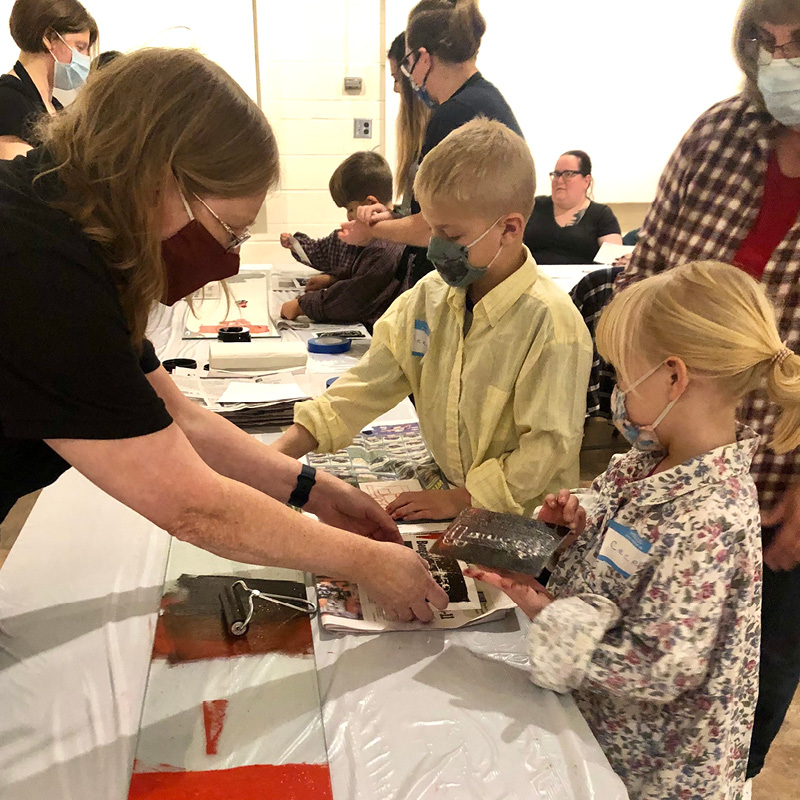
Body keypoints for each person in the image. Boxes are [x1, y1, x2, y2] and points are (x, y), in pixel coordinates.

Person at [0, 48, 449, 624]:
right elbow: (192, 506)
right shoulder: (36, 265)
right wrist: (364, 560)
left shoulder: (71, 230)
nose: (230, 259)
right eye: (230, 232)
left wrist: (310, 488)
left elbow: (179, 416)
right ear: (161, 178)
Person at [470, 260, 800, 799]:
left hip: (657, 772)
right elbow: (615, 564)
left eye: (623, 374)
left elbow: (662, 667)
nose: (616, 391)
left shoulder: (711, 516)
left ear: (674, 376)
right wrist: (572, 529)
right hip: (601, 732)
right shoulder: (644, 462)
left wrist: (552, 620)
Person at [615, 0, 800, 778]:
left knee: (735, 703)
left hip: (778, 489)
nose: (781, 60)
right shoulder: (720, 134)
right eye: (768, 39)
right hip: (673, 461)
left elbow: (660, 669)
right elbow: (645, 269)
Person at [274, 119, 592, 522]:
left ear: (509, 228)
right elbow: (367, 383)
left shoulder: (551, 324)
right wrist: (278, 454)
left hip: (525, 520)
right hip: (455, 491)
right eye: (431, 229)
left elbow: (546, 450)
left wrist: (463, 499)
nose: (436, 247)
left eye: (452, 235)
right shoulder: (430, 296)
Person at [341, 0, 523, 287]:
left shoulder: (454, 114)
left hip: (463, 280)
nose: (408, 79)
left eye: (408, 65)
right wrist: (394, 216)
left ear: (422, 58)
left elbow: (434, 228)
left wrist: (374, 230)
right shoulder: (485, 100)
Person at [278, 151, 408, 331]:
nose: (348, 216)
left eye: (350, 209)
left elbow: (355, 297)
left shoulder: (385, 246)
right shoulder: (380, 238)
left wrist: (302, 305)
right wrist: (333, 280)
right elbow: (361, 275)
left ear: (370, 204)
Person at [0, 0, 97, 160]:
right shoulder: (8, 102)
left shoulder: (54, 106)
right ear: (49, 38)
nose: (85, 58)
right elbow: (22, 180)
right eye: (80, 47)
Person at [523, 150, 622, 265]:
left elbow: (615, 260)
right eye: (556, 174)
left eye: (568, 174)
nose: (559, 180)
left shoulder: (601, 214)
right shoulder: (535, 207)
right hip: (537, 278)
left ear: (586, 181)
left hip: (582, 281)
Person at [387, 31, 430, 215]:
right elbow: (412, 213)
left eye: (397, 79)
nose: (395, 88)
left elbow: (428, 225)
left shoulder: (442, 128)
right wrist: (391, 216)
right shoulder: (420, 140)